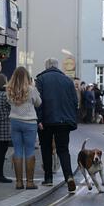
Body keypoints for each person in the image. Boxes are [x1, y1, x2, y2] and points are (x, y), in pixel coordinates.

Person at [35, 58, 78, 192]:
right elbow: (75, 101)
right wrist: (70, 117)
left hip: (46, 121)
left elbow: (38, 102)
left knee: (46, 148)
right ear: (57, 66)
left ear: (46, 66)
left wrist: (39, 120)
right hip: (64, 121)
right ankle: (69, 177)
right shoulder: (67, 80)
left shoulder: (41, 80)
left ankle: (48, 179)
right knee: (63, 150)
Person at [7, 66, 42, 189]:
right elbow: (39, 103)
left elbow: (9, 102)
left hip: (15, 122)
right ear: (27, 77)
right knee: (29, 151)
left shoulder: (9, 89)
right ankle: (30, 182)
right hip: (29, 122)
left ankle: (19, 182)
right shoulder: (31, 90)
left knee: (17, 151)